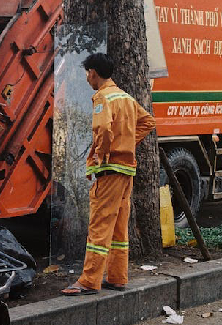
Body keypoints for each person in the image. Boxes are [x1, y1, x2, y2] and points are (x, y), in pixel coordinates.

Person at [62, 53, 156, 296]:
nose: (87, 79)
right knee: (118, 228)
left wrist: (103, 152)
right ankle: (117, 277)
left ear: (93, 72)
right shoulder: (125, 97)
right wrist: (126, 144)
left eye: (87, 74)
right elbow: (148, 122)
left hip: (110, 170)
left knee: (99, 225)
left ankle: (89, 280)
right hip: (126, 171)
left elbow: (103, 128)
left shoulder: (103, 96)